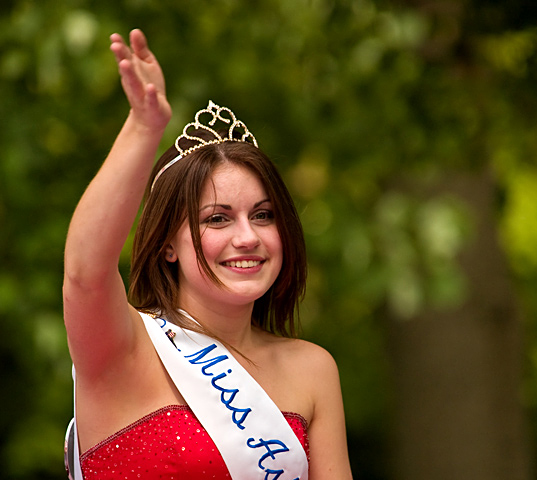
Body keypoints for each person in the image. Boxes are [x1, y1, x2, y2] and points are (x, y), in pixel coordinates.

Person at [63, 28, 352, 480]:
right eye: (217, 219)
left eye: (263, 215)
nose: (247, 237)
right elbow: (85, 274)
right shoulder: (122, 348)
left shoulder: (312, 369)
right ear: (166, 245)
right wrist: (144, 126)